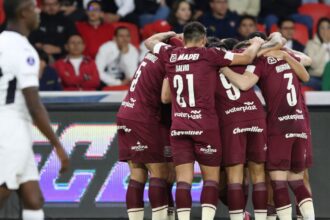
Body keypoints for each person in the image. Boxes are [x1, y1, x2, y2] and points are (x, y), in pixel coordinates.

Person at [145, 21, 264, 220]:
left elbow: (150, 41)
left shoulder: (170, 54)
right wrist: (257, 42)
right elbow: (248, 57)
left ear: (184, 39)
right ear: (203, 39)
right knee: (211, 180)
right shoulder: (210, 55)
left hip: (180, 125)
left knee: (183, 180)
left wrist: (172, 33)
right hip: (205, 126)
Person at [221, 32, 315, 220]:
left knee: (278, 182)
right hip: (299, 123)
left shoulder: (260, 62)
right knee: (298, 180)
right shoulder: (287, 54)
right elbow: (306, 73)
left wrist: (222, 68)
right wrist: (285, 54)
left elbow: (244, 83)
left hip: (279, 125)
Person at [0, 1, 69, 220]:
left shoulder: (1, 41)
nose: (37, 11)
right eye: (33, 7)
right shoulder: (23, 49)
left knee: (33, 198)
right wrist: (57, 145)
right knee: (3, 190)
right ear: (23, 13)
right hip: (11, 127)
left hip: (7, 122)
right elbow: (34, 105)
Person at [116, 37, 183, 220]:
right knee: (161, 173)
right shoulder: (171, 59)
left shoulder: (149, 55)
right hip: (144, 119)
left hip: (125, 113)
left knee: (138, 174)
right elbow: (165, 97)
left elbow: (150, 40)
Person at [209, 38, 268, 220]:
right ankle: (259, 217)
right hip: (256, 115)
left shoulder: (206, 69)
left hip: (231, 119)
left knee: (234, 175)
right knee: (257, 173)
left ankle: (239, 216)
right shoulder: (242, 60)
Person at [304, 17, 330, 90]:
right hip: (317, 77)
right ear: (318, 30)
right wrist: (324, 45)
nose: (325, 31)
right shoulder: (311, 44)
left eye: (328, 27)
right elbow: (313, 65)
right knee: (310, 81)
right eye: (322, 28)